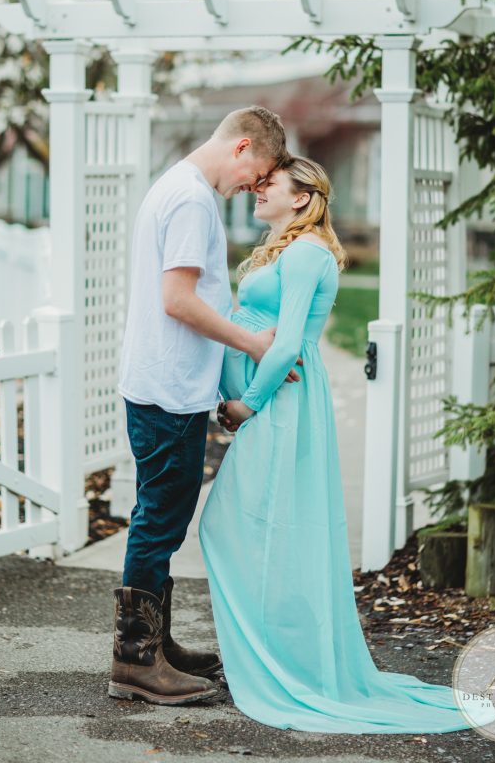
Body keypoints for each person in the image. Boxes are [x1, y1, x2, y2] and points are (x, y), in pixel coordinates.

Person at [199, 156, 495, 735]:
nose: (257, 192)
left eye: (269, 186)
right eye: (257, 184)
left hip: (279, 408)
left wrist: (244, 406)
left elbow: (286, 345)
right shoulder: (288, 248)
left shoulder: (308, 252)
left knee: (240, 529)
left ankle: (280, 665)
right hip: (272, 405)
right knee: (249, 530)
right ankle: (267, 656)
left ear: (304, 199)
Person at [109, 105, 301, 707]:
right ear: (242, 147)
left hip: (166, 385)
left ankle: (156, 645)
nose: (254, 186)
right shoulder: (192, 201)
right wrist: (252, 343)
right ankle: (135, 661)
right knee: (160, 518)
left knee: (162, 513)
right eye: (259, 172)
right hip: (166, 391)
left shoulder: (177, 185)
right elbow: (178, 301)